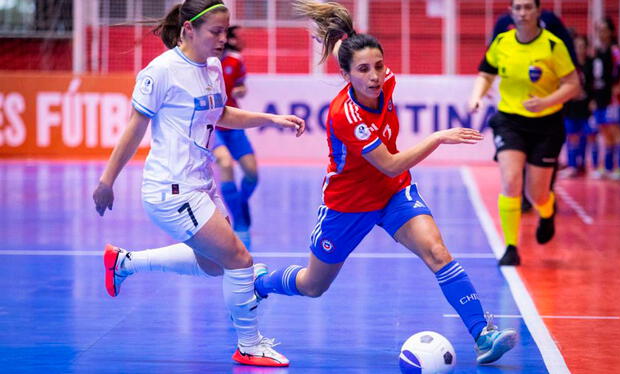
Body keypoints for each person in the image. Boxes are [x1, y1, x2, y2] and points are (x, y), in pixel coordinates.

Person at [253, 0, 517, 365]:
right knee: (314, 285)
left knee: (437, 252)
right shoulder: (345, 115)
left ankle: (482, 335)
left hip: (393, 194)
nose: (375, 76)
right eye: (363, 70)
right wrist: (437, 137)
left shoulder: (386, 83)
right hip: (348, 204)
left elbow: (392, 175)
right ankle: (260, 283)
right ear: (346, 75)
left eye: (378, 65)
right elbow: (390, 163)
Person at [92, 0, 305, 367]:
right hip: (171, 189)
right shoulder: (160, 71)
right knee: (239, 260)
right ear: (189, 29)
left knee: (215, 265)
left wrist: (271, 119)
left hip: (200, 184)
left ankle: (124, 263)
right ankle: (249, 345)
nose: (223, 39)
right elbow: (134, 128)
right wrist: (106, 180)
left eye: (226, 31)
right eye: (215, 32)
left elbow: (220, 114)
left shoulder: (212, 67)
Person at [468, 0, 580, 266]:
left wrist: (547, 101)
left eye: (528, 7)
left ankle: (547, 210)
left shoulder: (553, 45)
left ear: (538, 11)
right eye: (517, 8)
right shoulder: (502, 42)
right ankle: (510, 247)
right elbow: (486, 73)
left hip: (546, 124)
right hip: (509, 120)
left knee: (537, 194)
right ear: (511, 12)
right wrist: (476, 97)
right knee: (510, 180)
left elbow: (573, 85)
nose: (522, 12)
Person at [212, 25, 256, 249]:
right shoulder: (206, 60)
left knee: (252, 174)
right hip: (214, 125)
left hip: (234, 122)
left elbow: (242, 86)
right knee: (225, 163)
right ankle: (239, 222)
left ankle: (240, 203)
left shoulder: (235, 60)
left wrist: (240, 91)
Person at [590, 17, 620, 180]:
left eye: (604, 30)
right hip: (601, 97)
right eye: (599, 30)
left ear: (611, 32)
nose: (601, 33)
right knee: (605, 133)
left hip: (613, 99)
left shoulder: (615, 50)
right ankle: (607, 168)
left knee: (616, 132)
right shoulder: (598, 51)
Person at [560, 34, 596, 178]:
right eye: (577, 47)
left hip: (586, 107)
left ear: (587, 48)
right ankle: (572, 165)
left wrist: (591, 99)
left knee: (587, 136)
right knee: (571, 136)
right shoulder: (568, 65)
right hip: (571, 107)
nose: (580, 50)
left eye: (582, 47)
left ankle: (585, 166)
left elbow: (596, 84)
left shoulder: (592, 64)